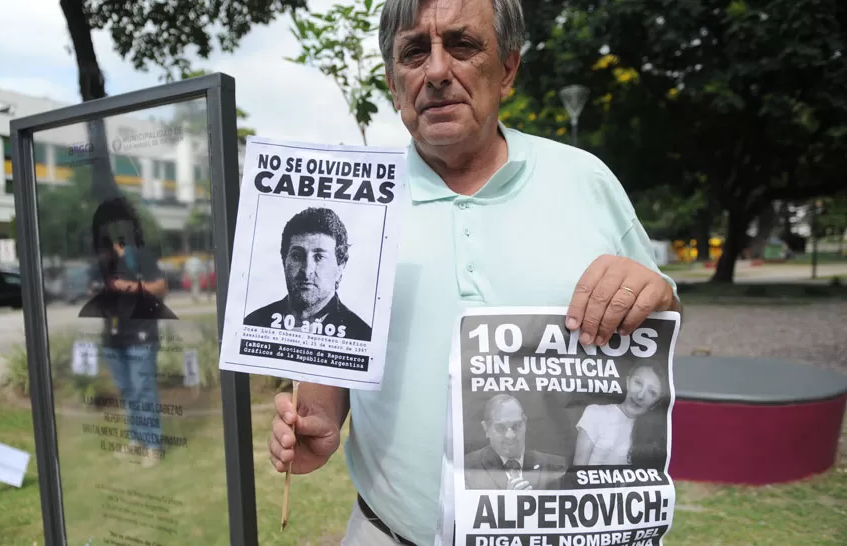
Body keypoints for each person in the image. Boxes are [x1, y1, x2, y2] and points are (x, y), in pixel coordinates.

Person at [267, 0, 682, 544]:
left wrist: (656, 295)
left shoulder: (586, 180)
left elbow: (661, 313)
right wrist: (316, 423)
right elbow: (331, 362)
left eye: (463, 45)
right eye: (415, 52)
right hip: (389, 531)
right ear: (395, 85)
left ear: (508, 68)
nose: (437, 71)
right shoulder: (355, 209)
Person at [78, 197, 177, 468]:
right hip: (113, 337)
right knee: (128, 392)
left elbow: (160, 287)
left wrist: (131, 287)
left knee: (144, 390)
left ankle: (153, 445)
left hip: (140, 336)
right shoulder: (102, 262)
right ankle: (136, 440)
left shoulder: (141, 256)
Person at [244, 206, 372, 341]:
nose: (306, 271)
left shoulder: (361, 336)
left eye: (319, 257)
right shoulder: (254, 324)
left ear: (340, 267)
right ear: (284, 261)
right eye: (297, 256)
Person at [464, 394, 567, 491]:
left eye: (517, 426)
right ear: (486, 429)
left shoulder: (556, 467)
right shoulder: (466, 469)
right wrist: (508, 502)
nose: (510, 435)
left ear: (525, 423)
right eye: (500, 428)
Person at [573, 364, 667, 467]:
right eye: (638, 383)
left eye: (652, 392)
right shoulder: (595, 413)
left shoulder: (653, 436)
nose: (640, 396)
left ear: (656, 403)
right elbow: (579, 469)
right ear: (627, 382)